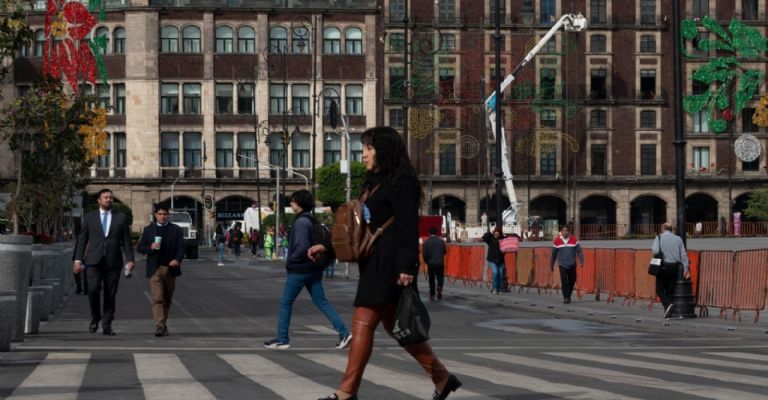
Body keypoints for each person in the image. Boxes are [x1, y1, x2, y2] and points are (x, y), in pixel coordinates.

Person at [310, 126, 461, 400]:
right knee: (398, 329)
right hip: (374, 262)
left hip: (389, 264)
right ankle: (442, 377)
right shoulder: (372, 181)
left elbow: (406, 224)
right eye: (364, 148)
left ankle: (346, 393)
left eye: (369, 148)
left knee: (363, 321)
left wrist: (407, 267)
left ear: (384, 149)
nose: (364, 154)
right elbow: (360, 227)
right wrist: (330, 247)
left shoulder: (403, 179)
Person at [264, 189, 352, 350]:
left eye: (293, 201)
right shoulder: (311, 220)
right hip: (313, 269)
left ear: (300, 203)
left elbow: (302, 246)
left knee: (286, 302)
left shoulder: (301, 222)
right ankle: (344, 332)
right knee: (321, 301)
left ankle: (282, 339)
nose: (290, 203)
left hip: (300, 269)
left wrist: (292, 260)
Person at [73, 188, 135, 336]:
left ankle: (107, 324)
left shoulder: (121, 218)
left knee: (110, 294)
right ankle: (95, 317)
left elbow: (126, 241)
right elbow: (82, 240)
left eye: (110, 198)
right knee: (93, 290)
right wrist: (77, 260)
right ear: (99, 200)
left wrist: (130, 260)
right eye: (106, 197)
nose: (109, 200)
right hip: (93, 261)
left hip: (113, 262)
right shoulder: (89, 217)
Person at [136, 206, 185, 337]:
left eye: (165, 214)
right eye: (160, 214)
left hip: (170, 268)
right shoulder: (149, 230)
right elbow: (140, 247)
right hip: (155, 268)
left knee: (167, 299)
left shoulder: (175, 229)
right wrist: (150, 247)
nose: (163, 216)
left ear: (168, 215)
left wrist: (177, 259)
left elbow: (181, 247)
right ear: (155, 215)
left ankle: (163, 323)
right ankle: (159, 326)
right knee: (158, 298)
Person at [652, 223, 691, 318]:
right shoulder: (678, 239)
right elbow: (683, 255)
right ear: (671, 229)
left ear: (662, 229)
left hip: (663, 266)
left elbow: (655, 251)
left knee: (659, 290)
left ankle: (668, 304)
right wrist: (686, 269)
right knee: (670, 290)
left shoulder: (659, 237)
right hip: (674, 267)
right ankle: (668, 313)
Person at [550, 225, 584, 304]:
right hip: (562, 264)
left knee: (573, 279)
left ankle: (568, 294)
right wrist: (551, 265)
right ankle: (566, 297)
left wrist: (581, 260)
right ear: (561, 232)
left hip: (572, 264)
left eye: (567, 231)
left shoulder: (574, 240)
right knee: (564, 280)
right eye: (564, 231)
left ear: (569, 232)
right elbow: (553, 255)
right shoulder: (556, 241)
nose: (565, 232)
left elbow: (579, 251)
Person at [422, 226, 447, 301]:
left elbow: (424, 254)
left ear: (429, 233)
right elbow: (445, 251)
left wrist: (426, 261)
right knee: (440, 277)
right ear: (436, 233)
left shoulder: (426, 242)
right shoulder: (441, 241)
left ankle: (432, 294)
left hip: (431, 263)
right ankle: (439, 287)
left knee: (431, 279)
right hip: (440, 263)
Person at [482, 227, 506, 295]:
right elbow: (484, 237)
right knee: (495, 272)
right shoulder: (490, 239)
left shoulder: (503, 239)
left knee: (500, 274)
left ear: (500, 233)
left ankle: (499, 288)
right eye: (495, 232)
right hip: (492, 259)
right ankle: (495, 288)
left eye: (497, 233)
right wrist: (490, 233)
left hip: (501, 260)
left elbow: (506, 247)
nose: (496, 234)